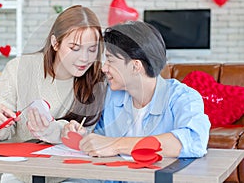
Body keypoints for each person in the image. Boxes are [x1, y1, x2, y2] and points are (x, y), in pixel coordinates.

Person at [0, 5, 106, 183]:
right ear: (55, 43)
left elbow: (85, 137)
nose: (84, 58)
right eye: (75, 48)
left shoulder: (97, 80)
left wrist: (53, 130)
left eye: (92, 49)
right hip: (20, 173)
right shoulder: (18, 69)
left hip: (71, 175)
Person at [63, 20, 211, 167]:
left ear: (135, 66)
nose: (104, 68)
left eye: (110, 60)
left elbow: (195, 140)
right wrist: (85, 138)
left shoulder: (183, 97)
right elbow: (102, 139)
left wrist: (116, 145)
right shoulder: (110, 96)